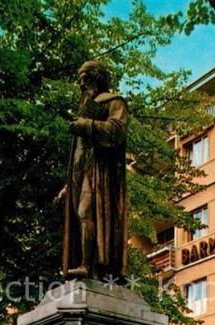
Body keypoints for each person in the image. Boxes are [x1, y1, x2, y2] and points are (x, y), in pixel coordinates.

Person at [58, 60, 128, 281]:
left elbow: (117, 131)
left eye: (84, 77)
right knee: (80, 219)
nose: (80, 83)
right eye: (79, 78)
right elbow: (78, 154)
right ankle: (87, 265)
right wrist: (68, 186)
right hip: (80, 174)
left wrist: (87, 125)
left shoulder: (114, 102)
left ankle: (88, 265)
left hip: (100, 174)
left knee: (85, 212)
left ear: (97, 78)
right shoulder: (84, 109)